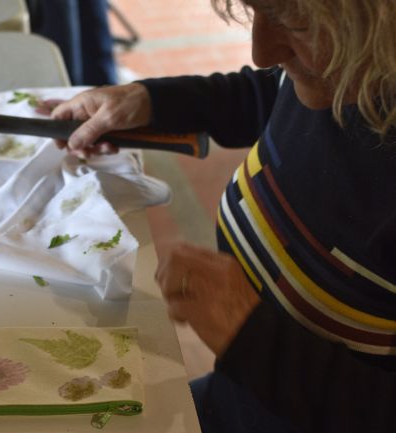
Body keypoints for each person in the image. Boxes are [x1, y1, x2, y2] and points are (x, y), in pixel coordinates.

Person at [51, 0, 396, 432]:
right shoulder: (345, 72)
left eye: (298, 23)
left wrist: (252, 337)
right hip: (240, 399)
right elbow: (270, 91)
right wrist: (152, 100)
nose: (262, 51)